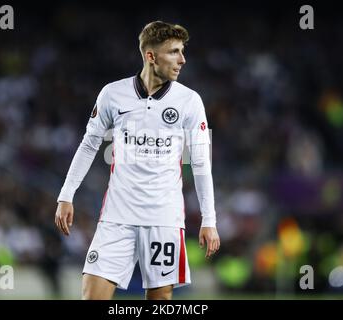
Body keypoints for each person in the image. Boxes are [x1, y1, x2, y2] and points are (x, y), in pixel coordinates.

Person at [54, 21, 220, 300]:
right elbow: (89, 144)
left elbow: (201, 163)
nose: (183, 59)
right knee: (92, 296)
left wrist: (209, 219)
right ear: (151, 56)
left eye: (182, 51)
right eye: (174, 52)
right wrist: (65, 195)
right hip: (117, 217)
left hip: (163, 219)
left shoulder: (190, 101)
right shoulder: (112, 94)